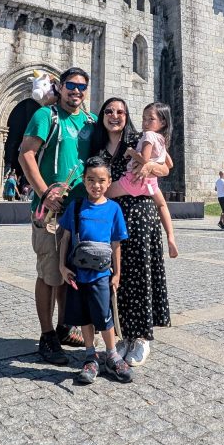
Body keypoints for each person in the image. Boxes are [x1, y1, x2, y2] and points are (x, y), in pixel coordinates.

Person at [89, 97, 177, 367]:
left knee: (140, 274)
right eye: (109, 111)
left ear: (127, 116)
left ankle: (141, 337)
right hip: (110, 219)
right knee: (119, 277)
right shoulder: (97, 148)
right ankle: (125, 334)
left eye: (120, 112)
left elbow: (166, 165)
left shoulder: (138, 139)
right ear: (102, 116)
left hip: (139, 214)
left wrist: (150, 166)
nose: (115, 116)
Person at [20, 66, 96, 365]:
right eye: (71, 85)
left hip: (80, 211)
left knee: (68, 275)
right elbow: (26, 154)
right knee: (50, 275)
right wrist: (44, 193)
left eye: (81, 87)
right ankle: (47, 335)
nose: (76, 91)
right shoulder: (45, 116)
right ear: (60, 87)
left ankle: (65, 327)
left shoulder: (90, 122)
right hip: (50, 212)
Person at [59, 157, 132, 385]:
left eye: (101, 180)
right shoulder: (77, 206)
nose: (96, 185)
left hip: (101, 275)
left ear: (109, 182)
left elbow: (116, 244)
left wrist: (117, 274)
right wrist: (62, 266)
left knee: (104, 316)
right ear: (84, 180)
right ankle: (91, 356)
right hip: (78, 274)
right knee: (84, 317)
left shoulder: (113, 209)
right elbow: (65, 238)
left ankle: (111, 355)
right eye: (91, 180)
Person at [107, 102, 171, 218]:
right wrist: (153, 164)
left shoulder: (148, 135)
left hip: (134, 179)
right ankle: (170, 235)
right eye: (143, 119)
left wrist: (131, 151)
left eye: (150, 119)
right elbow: (170, 164)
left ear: (163, 122)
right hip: (151, 183)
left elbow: (145, 160)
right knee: (162, 204)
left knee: (103, 192)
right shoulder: (161, 139)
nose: (145, 123)